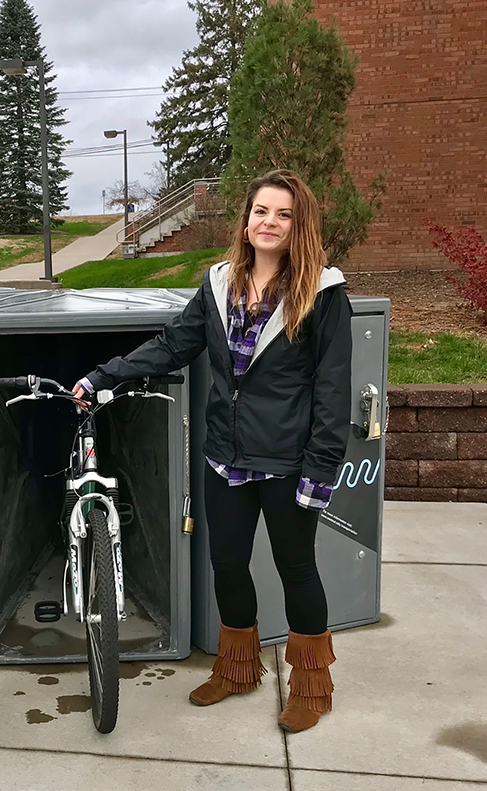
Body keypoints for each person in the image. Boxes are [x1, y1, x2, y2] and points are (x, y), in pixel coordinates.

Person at [73, 169, 352, 733]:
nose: (269, 223)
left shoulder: (323, 291)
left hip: (288, 462)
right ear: (245, 220)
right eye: (260, 212)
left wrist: (319, 471)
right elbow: (174, 345)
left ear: (300, 225)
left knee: (297, 570)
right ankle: (237, 668)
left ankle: (311, 687)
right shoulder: (219, 283)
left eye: (283, 214)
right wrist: (104, 378)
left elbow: (333, 390)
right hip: (225, 456)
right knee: (227, 565)